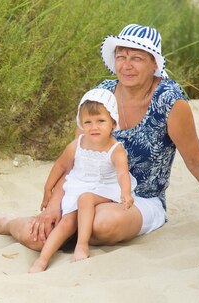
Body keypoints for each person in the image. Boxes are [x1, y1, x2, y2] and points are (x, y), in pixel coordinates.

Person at [0, 24, 199, 254]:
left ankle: (67, 229)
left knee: (101, 223)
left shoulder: (170, 101)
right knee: (41, 229)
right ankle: (6, 223)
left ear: (155, 64)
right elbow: (77, 158)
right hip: (89, 188)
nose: (126, 65)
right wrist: (53, 206)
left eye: (137, 58)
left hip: (141, 200)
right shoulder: (100, 93)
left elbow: (196, 160)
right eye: (121, 57)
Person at [31, 88, 135, 273]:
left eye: (101, 121)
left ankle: (82, 245)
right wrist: (48, 189)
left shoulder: (116, 149)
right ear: (81, 124)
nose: (94, 127)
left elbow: (122, 174)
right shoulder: (77, 144)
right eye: (88, 122)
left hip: (106, 187)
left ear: (112, 122)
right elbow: (60, 166)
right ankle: (42, 259)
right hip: (79, 184)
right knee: (67, 222)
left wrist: (125, 192)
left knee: (86, 198)